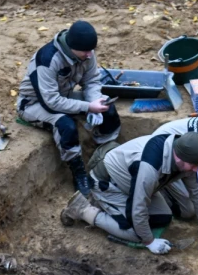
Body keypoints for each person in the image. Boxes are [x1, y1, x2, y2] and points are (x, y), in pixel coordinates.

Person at [61, 131, 198, 255]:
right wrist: (149, 241)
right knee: (136, 232)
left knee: (164, 217)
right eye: (193, 166)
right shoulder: (149, 167)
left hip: (132, 183)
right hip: (108, 183)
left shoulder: (187, 156)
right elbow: (138, 208)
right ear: (178, 158)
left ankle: (108, 207)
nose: (196, 170)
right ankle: (83, 209)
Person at [17, 20, 120, 197]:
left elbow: (92, 81)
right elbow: (51, 102)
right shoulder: (48, 59)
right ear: (72, 47)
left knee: (107, 108)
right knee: (66, 126)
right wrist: (88, 107)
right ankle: (78, 172)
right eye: (86, 52)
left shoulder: (86, 52)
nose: (90, 55)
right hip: (34, 103)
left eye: (91, 51)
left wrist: (95, 101)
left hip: (62, 96)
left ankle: (104, 155)